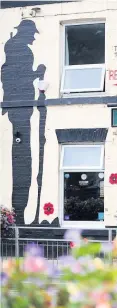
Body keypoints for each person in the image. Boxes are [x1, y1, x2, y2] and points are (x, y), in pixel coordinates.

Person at [1, 20, 46, 225]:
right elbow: (18, 76)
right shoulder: (19, 50)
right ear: (25, 32)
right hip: (20, 108)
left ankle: (19, 210)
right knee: (22, 156)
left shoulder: (14, 49)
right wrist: (38, 72)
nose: (34, 37)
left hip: (19, 106)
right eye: (32, 33)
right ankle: (18, 211)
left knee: (21, 155)